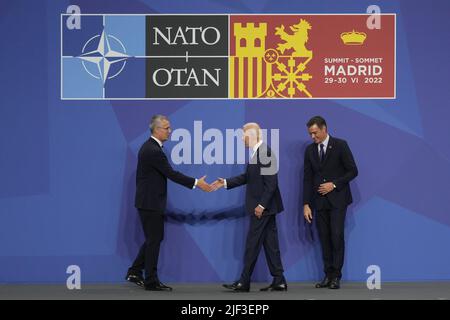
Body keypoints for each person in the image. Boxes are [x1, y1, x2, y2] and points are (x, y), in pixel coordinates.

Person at [126, 115, 213, 291]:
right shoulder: (153, 151)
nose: (170, 131)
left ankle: (135, 271)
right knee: (154, 240)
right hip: (150, 203)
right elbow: (171, 174)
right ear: (157, 130)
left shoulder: (151, 148)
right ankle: (150, 281)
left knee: (154, 239)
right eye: (167, 128)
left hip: (149, 202)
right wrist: (197, 183)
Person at [213, 123, 286, 292]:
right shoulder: (257, 153)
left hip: (263, 208)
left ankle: (244, 282)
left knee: (252, 244)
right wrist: (225, 182)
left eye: (243, 135)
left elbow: (271, 184)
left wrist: (261, 205)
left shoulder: (265, 153)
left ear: (252, 136)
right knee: (270, 244)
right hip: (266, 207)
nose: (242, 139)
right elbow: (248, 177)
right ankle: (279, 280)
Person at [303, 116, 358, 289]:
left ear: (324, 128)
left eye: (315, 133)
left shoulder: (341, 145)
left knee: (336, 236)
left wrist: (333, 184)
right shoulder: (310, 150)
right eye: (310, 134)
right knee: (324, 238)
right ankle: (327, 275)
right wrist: (306, 204)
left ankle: (336, 276)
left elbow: (353, 171)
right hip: (319, 202)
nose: (313, 137)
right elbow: (307, 179)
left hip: (338, 200)